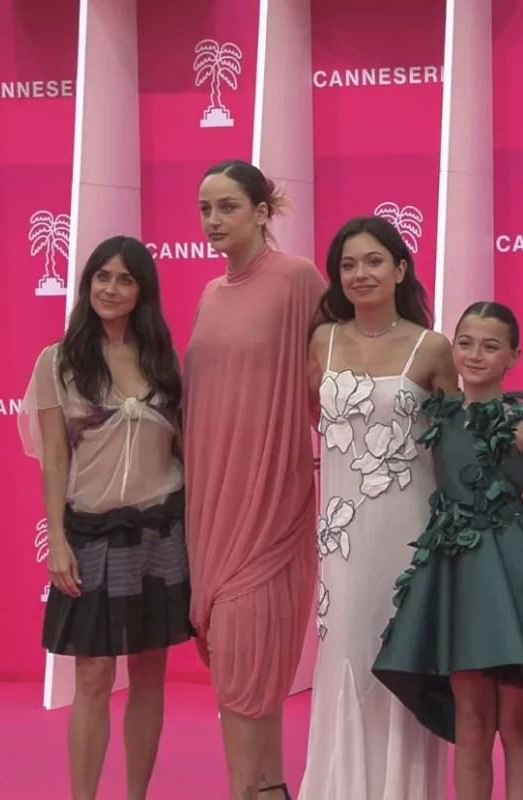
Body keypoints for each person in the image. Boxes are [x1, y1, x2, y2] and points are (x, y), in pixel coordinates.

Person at [373, 301, 523, 800]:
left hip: (520, 580)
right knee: (471, 721)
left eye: (490, 346)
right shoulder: (438, 419)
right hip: (458, 579)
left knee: (519, 720)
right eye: (465, 343)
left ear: (513, 357)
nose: (475, 355)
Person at [18, 236, 190, 800]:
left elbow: (186, 447)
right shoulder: (59, 361)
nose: (110, 289)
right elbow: (54, 459)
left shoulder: (162, 358)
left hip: (161, 528)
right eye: (102, 276)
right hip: (92, 531)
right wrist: (57, 540)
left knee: (149, 673)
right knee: (92, 677)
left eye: (124, 279)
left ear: (143, 290)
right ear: (87, 282)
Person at [299, 216, 455, 799]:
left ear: (400, 269)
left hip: (410, 528)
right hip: (341, 531)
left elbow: (455, 443)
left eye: (373, 261)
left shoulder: (431, 346)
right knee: (345, 649)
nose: (359, 274)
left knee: (403, 656)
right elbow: (313, 420)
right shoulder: (322, 340)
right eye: (347, 265)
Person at [184, 160, 326, 800]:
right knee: (233, 660)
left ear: (262, 212)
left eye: (228, 207)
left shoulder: (297, 279)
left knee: (249, 662)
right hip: (208, 501)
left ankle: (248, 792)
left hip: (270, 500)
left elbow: (333, 375)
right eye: (205, 209)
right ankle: (269, 789)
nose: (213, 220)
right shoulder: (210, 293)